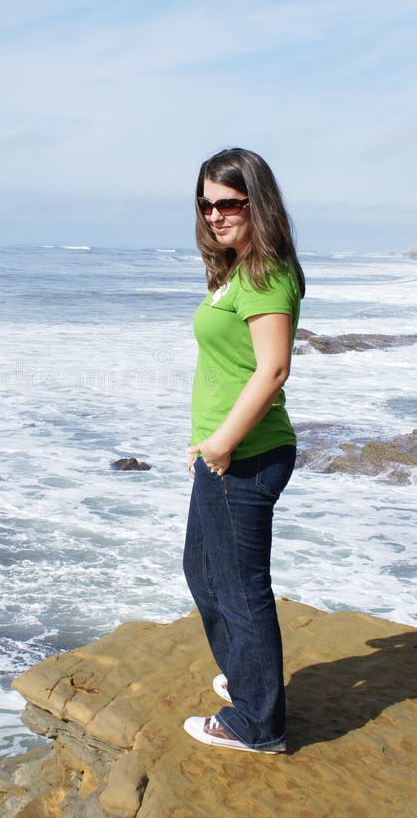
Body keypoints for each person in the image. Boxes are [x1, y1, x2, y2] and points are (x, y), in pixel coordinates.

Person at [182, 147, 305, 754]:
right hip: (223, 453)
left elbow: (274, 368)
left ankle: (259, 726)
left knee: (239, 589)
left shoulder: (264, 272)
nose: (215, 215)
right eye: (206, 204)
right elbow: (228, 367)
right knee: (203, 575)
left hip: (247, 457)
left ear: (259, 201)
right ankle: (250, 683)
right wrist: (206, 440)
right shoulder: (235, 271)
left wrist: (225, 442)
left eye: (228, 203)